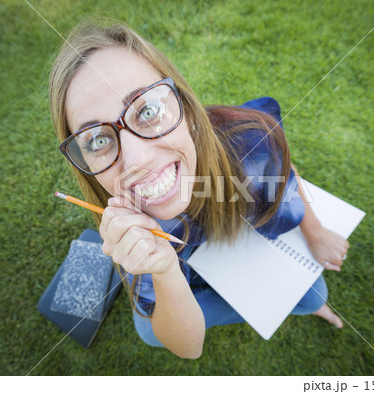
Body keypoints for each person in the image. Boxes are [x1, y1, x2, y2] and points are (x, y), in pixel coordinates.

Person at [49, 20, 349, 359]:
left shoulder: (251, 142)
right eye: (99, 140)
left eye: (147, 110)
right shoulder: (130, 220)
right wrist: (163, 271)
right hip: (184, 267)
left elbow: (284, 174)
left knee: (313, 296)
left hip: (239, 235)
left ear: (187, 110)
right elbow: (188, 348)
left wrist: (316, 230)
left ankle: (289, 303)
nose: (137, 160)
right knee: (150, 329)